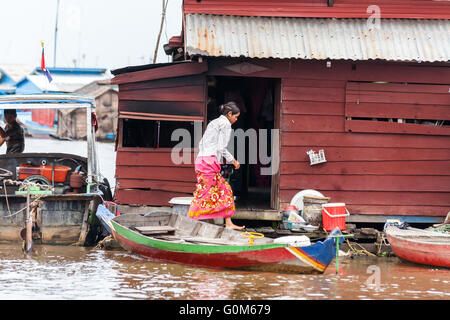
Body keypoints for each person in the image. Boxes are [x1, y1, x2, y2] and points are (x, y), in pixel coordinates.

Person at [188, 101, 245, 230]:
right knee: (204, 193)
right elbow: (222, 148)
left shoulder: (213, 122)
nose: (236, 120)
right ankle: (190, 221)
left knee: (225, 190)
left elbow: (202, 143)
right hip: (208, 163)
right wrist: (234, 160)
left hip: (202, 161)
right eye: (236, 117)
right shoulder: (225, 124)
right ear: (229, 114)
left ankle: (228, 223)